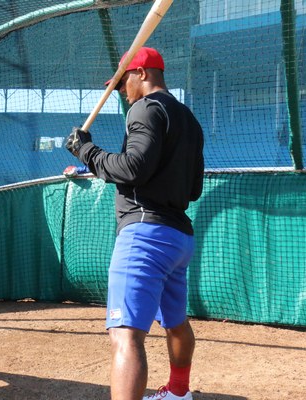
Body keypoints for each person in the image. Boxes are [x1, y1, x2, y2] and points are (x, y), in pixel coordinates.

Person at [65, 47, 204, 400]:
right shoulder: (188, 118)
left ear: (141, 73)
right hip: (178, 237)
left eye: (123, 80)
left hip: (145, 235)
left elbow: (132, 167)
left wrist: (87, 152)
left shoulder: (145, 108)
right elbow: (195, 187)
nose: (121, 91)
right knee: (175, 322)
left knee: (125, 334)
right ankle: (178, 392)